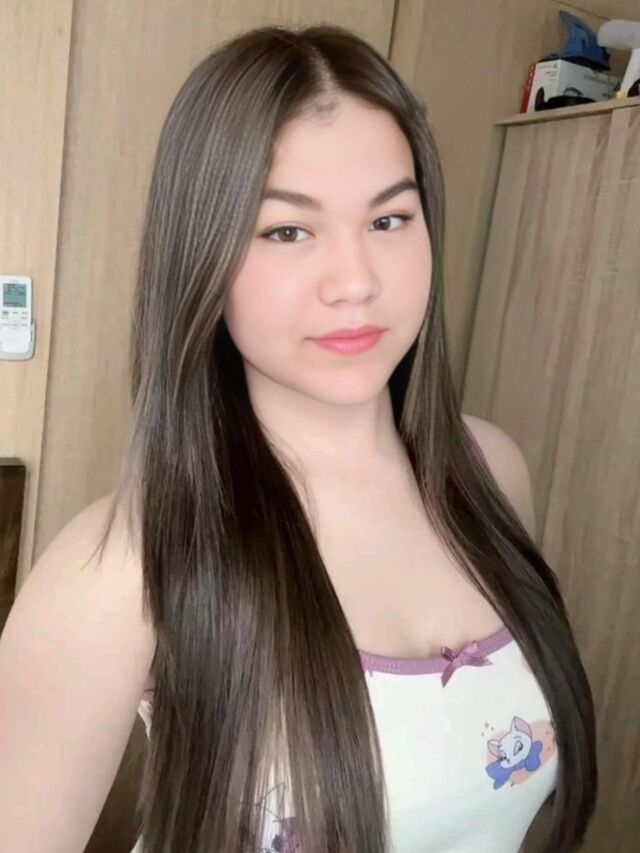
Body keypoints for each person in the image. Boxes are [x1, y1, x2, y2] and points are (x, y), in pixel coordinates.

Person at [0, 23, 597, 853]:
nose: (355, 281)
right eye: (286, 230)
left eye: (389, 218)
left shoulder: (491, 471)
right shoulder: (124, 565)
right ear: (202, 256)